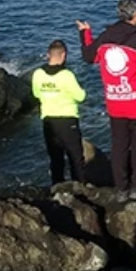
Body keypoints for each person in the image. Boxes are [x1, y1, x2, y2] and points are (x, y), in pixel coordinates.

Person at [76, 0, 136, 193]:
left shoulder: (105, 38)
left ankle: (121, 188)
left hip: (115, 103)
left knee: (119, 146)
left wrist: (85, 33)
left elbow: (88, 55)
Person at [31, 39, 86, 185]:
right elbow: (80, 96)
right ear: (63, 56)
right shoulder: (66, 75)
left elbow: (36, 94)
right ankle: (79, 186)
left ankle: (57, 186)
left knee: (55, 157)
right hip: (67, 119)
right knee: (75, 157)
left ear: (48, 55)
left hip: (48, 120)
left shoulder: (38, 73)